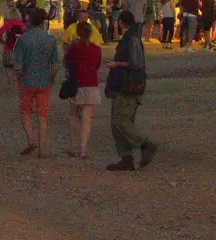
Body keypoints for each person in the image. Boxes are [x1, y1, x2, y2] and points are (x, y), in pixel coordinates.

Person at [104, 10, 155, 170]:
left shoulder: (132, 40)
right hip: (124, 86)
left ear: (121, 22)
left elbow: (136, 63)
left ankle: (143, 144)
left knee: (121, 121)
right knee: (117, 123)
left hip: (128, 87)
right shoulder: (130, 38)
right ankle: (126, 157)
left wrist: (117, 64)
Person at [12, 8, 59, 156]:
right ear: (43, 22)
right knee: (42, 115)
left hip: (27, 80)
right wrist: (51, 78)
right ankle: (42, 149)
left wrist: (18, 77)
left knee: (25, 111)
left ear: (30, 21)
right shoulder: (51, 40)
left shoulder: (23, 39)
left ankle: (31, 140)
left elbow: (18, 64)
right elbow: (56, 64)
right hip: (44, 81)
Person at [64, 20, 102, 160]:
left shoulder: (73, 48)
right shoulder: (97, 49)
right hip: (91, 84)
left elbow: (67, 64)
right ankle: (83, 149)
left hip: (76, 84)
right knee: (87, 119)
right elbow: (97, 66)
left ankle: (72, 146)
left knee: (73, 115)